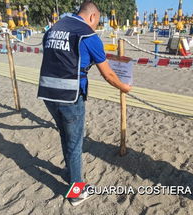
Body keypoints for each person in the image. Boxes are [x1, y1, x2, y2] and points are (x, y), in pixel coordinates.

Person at [37, 1, 131, 206]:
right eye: (97, 22)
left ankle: (71, 173)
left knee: (65, 135)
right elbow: (108, 74)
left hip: (47, 93)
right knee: (75, 142)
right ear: (92, 17)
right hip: (70, 96)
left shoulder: (53, 29)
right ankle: (76, 191)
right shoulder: (88, 35)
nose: (96, 26)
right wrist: (124, 88)